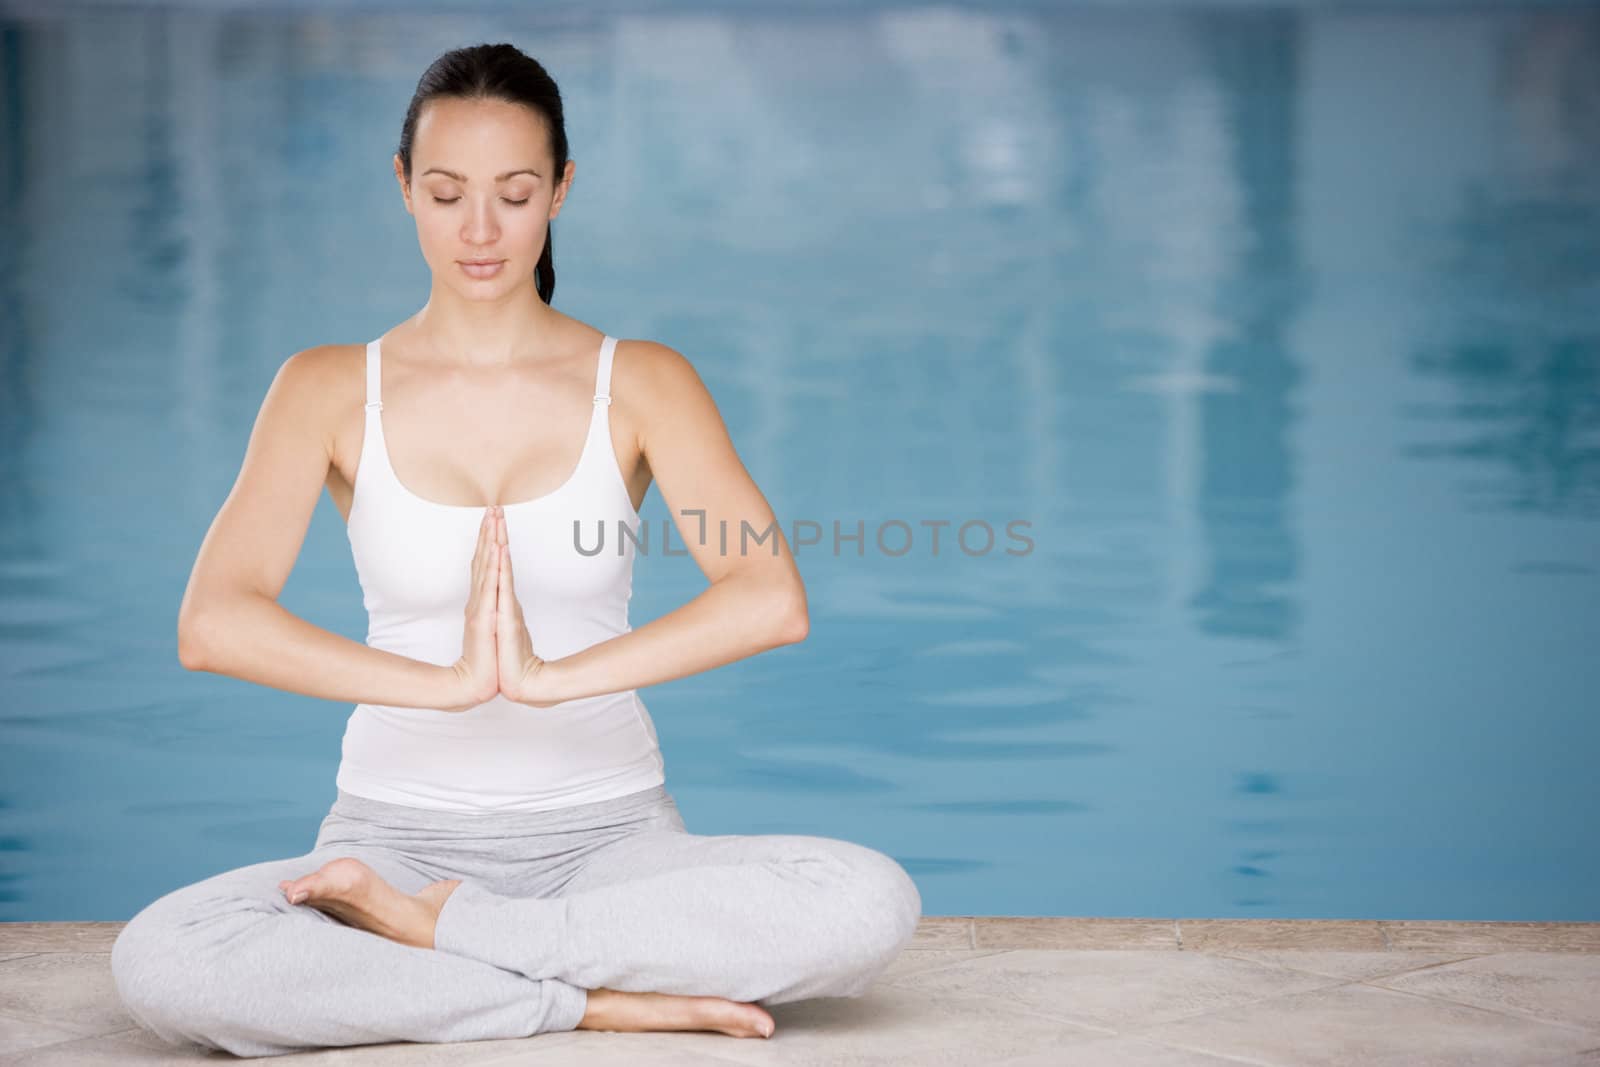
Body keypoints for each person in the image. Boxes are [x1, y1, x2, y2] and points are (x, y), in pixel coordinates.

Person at [108, 41, 921, 1058]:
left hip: (609, 844)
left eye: (515, 192)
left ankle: (446, 946)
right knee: (165, 955)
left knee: (866, 900)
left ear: (561, 191)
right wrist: (441, 683)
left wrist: (548, 677)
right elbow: (214, 621)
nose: (481, 230)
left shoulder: (642, 380)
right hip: (389, 843)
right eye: (446, 193)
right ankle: (585, 998)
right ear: (403, 186)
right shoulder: (323, 386)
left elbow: (767, 596)